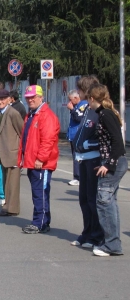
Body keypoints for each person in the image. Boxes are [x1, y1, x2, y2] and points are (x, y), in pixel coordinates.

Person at [87, 84, 127, 257]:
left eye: (88, 99)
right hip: (111, 162)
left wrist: (108, 164)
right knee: (109, 202)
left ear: (92, 99)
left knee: (104, 202)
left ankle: (112, 245)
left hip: (115, 163)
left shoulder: (105, 114)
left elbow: (118, 142)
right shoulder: (104, 113)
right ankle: (112, 241)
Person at [18, 85, 60, 234]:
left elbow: (48, 140)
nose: (30, 100)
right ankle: (41, 220)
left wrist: (41, 159)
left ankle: (40, 222)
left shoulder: (46, 115)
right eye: (28, 98)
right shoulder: (32, 114)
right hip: (34, 162)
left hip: (41, 164)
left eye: (33, 97)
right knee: (38, 193)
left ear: (41, 97)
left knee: (40, 193)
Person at [71, 75, 104, 248]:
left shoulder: (99, 112)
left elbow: (106, 139)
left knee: (92, 200)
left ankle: (96, 235)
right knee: (84, 199)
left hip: (93, 160)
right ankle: (87, 232)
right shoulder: (86, 109)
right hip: (83, 159)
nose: (78, 93)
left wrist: (86, 144)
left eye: (80, 90)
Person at [0, 89, 24, 216]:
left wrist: (21, 152)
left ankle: (12, 208)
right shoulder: (0, 113)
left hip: (12, 153)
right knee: (7, 182)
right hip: (3, 153)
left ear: (9, 99)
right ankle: (7, 206)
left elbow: (22, 132)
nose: (0, 102)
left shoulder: (13, 113)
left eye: (3, 99)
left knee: (13, 183)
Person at [66, 90, 88, 186]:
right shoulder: (76, 106)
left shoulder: (83, 105)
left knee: (77, 156)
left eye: (70, 100)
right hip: (73, 135)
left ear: (76, 98)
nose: (69, 102)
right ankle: (78, 176)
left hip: (78, 134)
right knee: (75, 155)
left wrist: (72, 109)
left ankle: (78, 177)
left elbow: (79, 118)